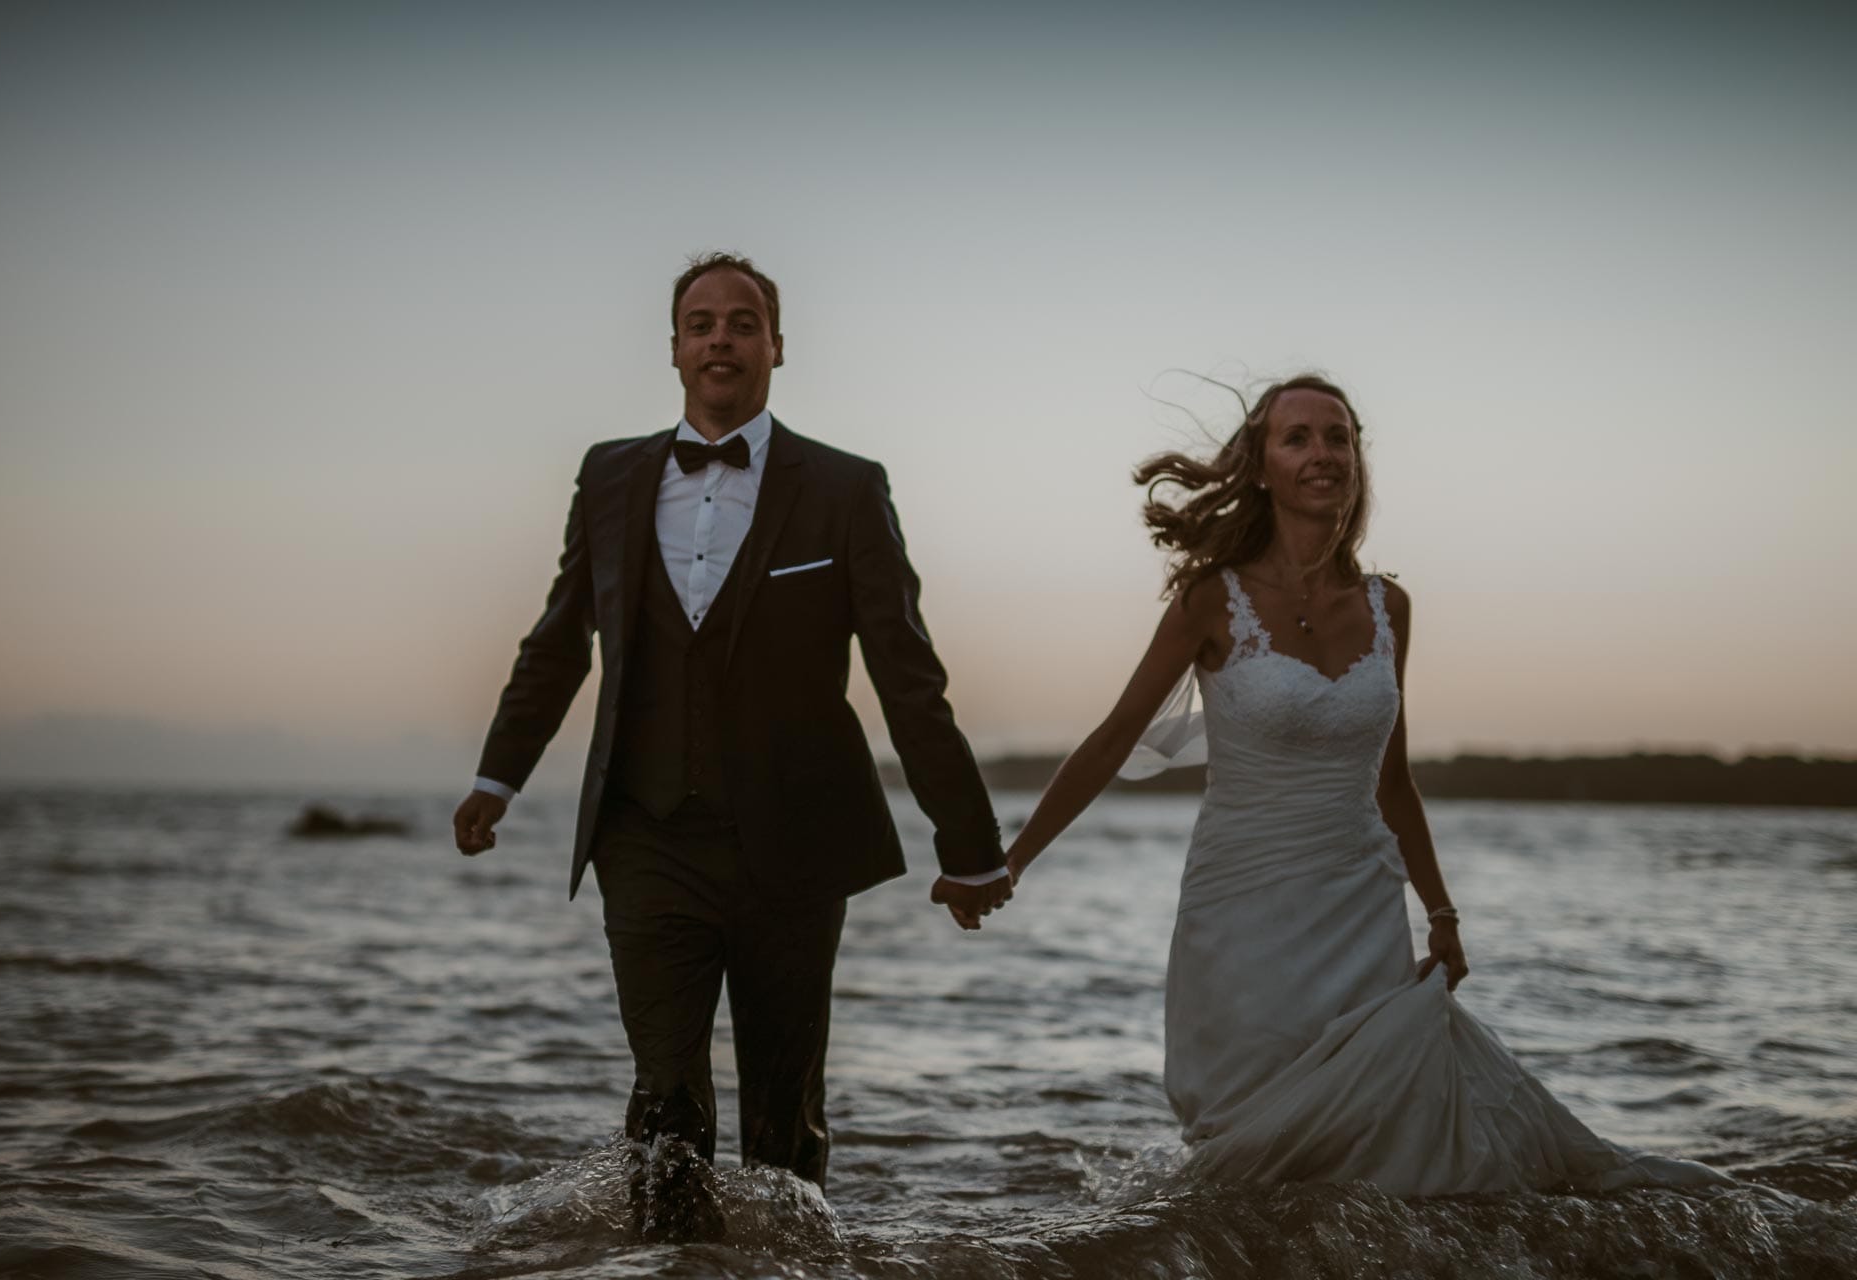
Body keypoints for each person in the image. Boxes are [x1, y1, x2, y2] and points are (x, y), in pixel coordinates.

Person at [1000, 374, 1730, 1195]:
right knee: (1254, 1153)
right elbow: (1110, 741)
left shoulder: (1391, 607)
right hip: (1242, 912)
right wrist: (1015, 860)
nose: (1323, 454)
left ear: (1359, 461)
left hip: (1360, 905)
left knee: (1384, 1145)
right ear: (1262, 467)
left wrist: (1443, 912)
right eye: (1299, 438)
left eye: (1338, 437)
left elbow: (1393, 781)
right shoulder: (1213, 599)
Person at [452, 252, 1013, 1240]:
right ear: (673, 348)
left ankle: (789, 1263)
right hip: (645, 834)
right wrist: (498, 776)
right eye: (701, 322)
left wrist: (967, 843)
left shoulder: (845, 486)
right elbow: (558, 637)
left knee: (780, 1123)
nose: (721, 337)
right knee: (665, 1103)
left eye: (742, 322)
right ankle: (670, 1265)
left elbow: (905, 671)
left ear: (776, 347)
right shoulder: (608, 475)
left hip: (794, 846)